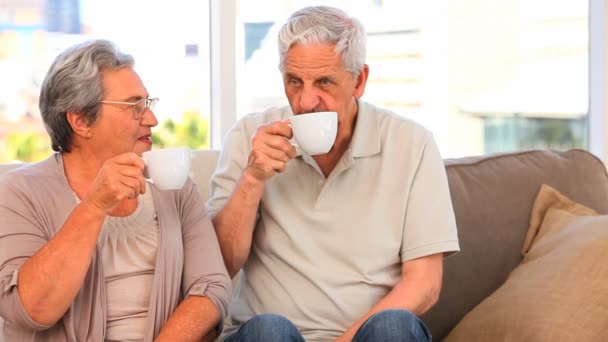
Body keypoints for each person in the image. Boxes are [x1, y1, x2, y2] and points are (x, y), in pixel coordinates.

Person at [207, 5, 460, 342]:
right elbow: (220, 266)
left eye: (324, 82)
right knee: (271, 331)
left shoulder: (412, 144)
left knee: (393, 328)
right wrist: (252, 179)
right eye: (294, 81)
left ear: (360, 81)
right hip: (268, 335)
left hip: (364, 337)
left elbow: (424, 283)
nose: (307, 101)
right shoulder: (250, 136)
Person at [0, 39, 232, 341]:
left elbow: (213, 287)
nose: (152, 119)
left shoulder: (172, 185)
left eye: (147, 104)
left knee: (269, 329)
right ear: (81, 120)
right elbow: (32, 311)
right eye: (134, 106)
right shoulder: (19, 192)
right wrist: (96, 205)